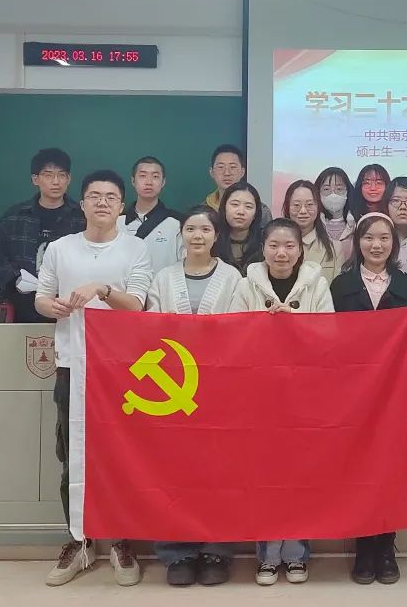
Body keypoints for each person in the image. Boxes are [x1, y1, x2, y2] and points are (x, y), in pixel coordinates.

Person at [35, 169, 153, 588]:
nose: (102, 202)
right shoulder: (60, 249)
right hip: (72, 364)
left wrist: (102, 289)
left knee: (120, 456)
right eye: (94, 196)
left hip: (120, 369)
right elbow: (41, 296)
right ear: (82, 203)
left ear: (121, 206)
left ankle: (121, 541)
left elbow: (136, 305)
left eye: (111, 197)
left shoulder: (136, 248)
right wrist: (52, 307)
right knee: (72, 455)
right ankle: (79, 541)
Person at [329, 212, 407, 585]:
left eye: (384, 238)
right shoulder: (340, 286)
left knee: (391, 468)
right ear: (358, 243)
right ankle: (364, 546)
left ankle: (387, 546)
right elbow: (328, 340)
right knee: (358, 467)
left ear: (394, 244)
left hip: (395, 397)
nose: (376, 245)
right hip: (352, 395)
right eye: (369, 237)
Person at [229, 218, 334, 586]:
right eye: (274, 245)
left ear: (300, 250)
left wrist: (297, 323)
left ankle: (297, 554)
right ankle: (268, 556)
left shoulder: (318, 285)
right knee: (265, 475)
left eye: (289, 246)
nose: (281, 253)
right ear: (263, 248)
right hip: (260, 395)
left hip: (304, 395)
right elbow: (231, 334)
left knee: (300, 475)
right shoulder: (246, 284)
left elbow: (329, 336)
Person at [146, 205, 242, 586]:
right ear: (181, 235)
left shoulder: (232, 276)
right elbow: (152, 327)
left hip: (221, 386)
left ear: (217, 235)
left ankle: (217, 549)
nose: (197, 235)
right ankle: (178, 552)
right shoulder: (163, 278)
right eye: (190, 229)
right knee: (173, 469)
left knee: (221, 469)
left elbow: (239, 328)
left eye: (205, 229)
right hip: (173, 386)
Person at [0, 148, 85, 323]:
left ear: (69, 179)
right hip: (19, 306)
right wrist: (14, 280)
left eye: (62, 175)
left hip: (66, 308)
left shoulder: (82, 218)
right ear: (35, 179)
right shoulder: (14, 217)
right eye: (48, 175)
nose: (56, 181)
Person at [117, 155, 181, 275]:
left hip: (164, 286)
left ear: (163, 182)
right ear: (133, 181)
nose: (149, 182)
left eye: (155, 176)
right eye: (142, 176)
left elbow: (184, 264)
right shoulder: (117, 221)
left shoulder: (177, 223)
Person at [283, 179, 342, 284]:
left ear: (318, 207)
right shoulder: (274, 245)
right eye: (296, 205)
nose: (303, 211)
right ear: (287, 207)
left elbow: (337, 288)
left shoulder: (335, 248)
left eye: (309, 205)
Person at [204, 144, 271, 224]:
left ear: (242, 172)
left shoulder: (261, 211)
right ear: (211, 172)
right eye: (221, 167)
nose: (227, 173)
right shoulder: (203, 210)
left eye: (233, 167)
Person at [214, 181, 264, 275]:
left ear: (255, 214)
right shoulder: (212, 240)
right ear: (224, 207)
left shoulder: (265, 242)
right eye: (235, 204)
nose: (241, 212)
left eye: (248, 206)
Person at [316, 166, 355, 259]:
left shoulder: (356, 224)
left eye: (339, 189)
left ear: (348, 192)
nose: (333, 194)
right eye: (326, 189)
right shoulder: (312, 224)